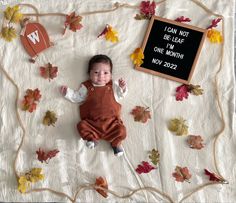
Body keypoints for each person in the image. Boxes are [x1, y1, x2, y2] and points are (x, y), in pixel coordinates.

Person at [60, 54, 127, 156]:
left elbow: (121, 95)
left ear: (111, 75)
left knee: (122, 131)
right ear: (89, 73)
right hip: (92, 124)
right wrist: (67, 93)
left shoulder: (113, 86)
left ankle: (116, 144)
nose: (101, 76)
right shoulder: (86, 87)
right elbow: (77, 97)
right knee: (81, 126)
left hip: (112, 124)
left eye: (105, 73)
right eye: (96, 72)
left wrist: (122, 88)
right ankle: (91, 139)